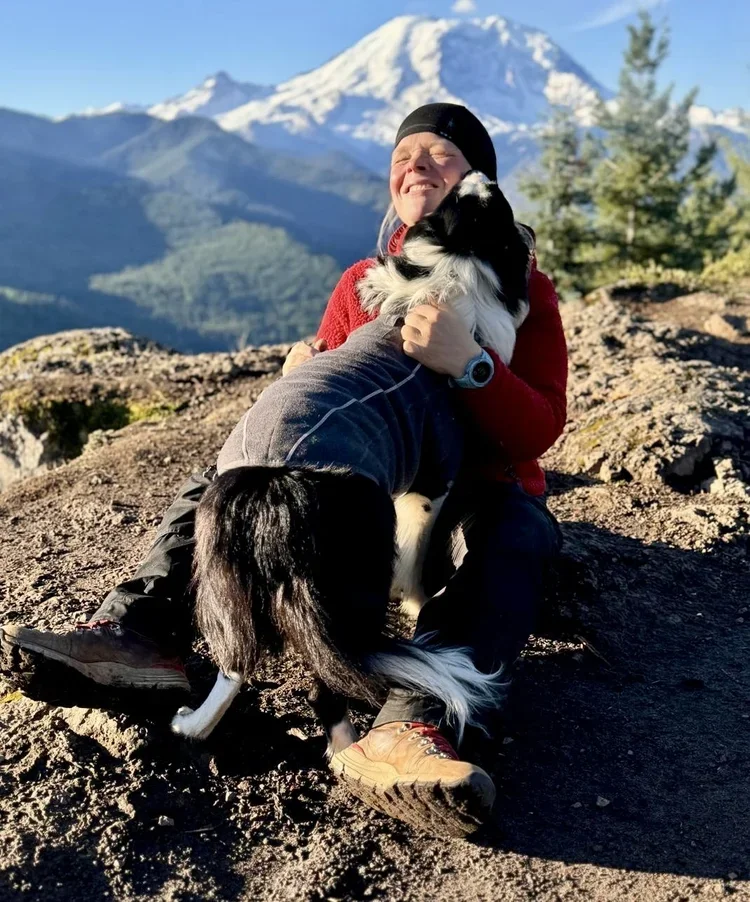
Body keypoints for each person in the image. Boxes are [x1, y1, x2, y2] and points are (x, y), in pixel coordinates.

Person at [1, 103, 567, 834]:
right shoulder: (364, 280)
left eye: (441, 155)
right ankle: (141, 632)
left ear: (478, 182)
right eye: (404, 157)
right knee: (237, 465)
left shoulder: (523, 286)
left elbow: (539, 429)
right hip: (359, 483)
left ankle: (412, 726)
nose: (417, 164)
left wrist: (474, 365)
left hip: (475, 485)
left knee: (516, 537)